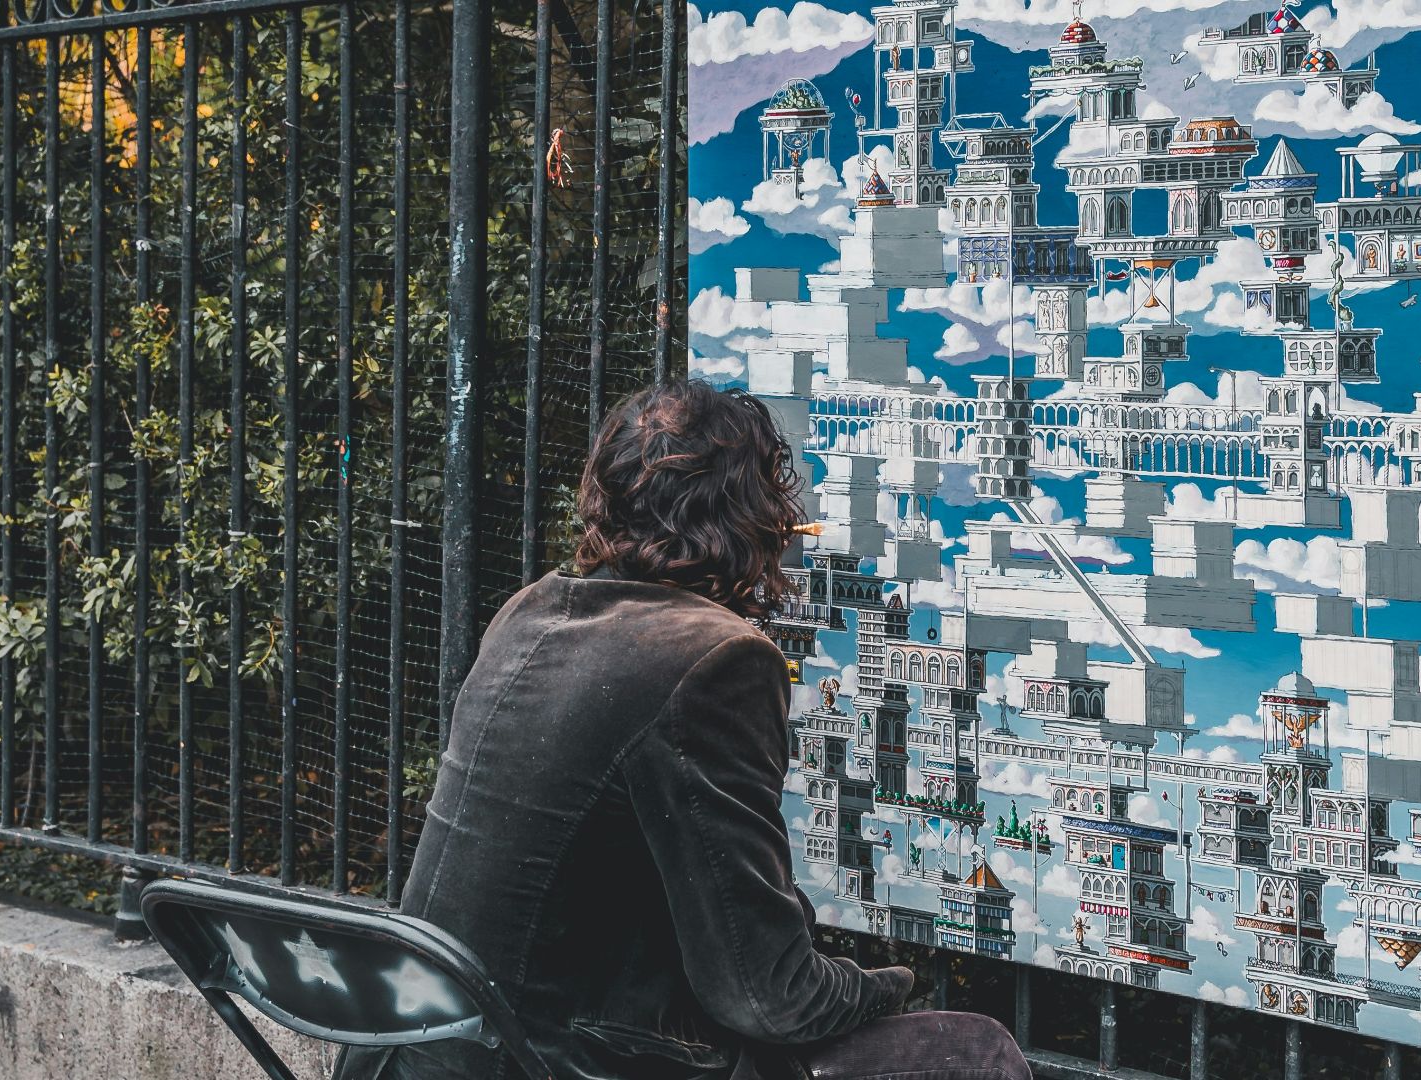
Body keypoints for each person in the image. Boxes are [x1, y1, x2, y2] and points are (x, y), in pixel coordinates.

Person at [336, 380, 1030, 1080]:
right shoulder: (713, 659)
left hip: (411, 1052)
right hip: (551, 1062)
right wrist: (883, 986)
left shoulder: (530, 614)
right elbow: (767, 998)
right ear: (752, 515)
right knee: (978, 1052)